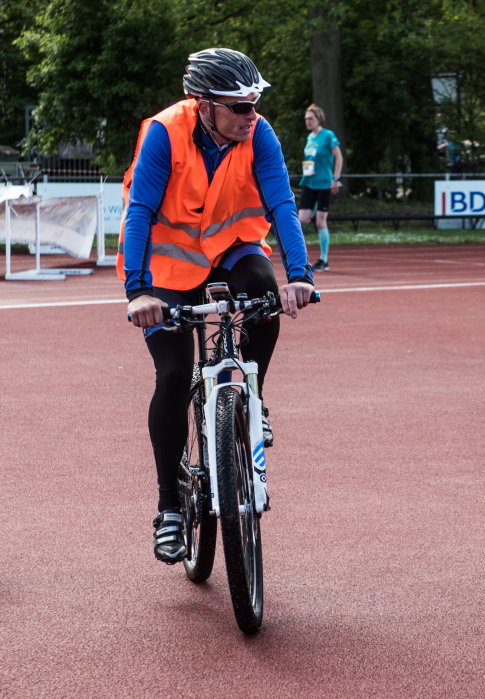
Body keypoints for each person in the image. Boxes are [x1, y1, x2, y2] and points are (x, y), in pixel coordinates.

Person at [119, 48, 315, 564]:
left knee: (265, 295)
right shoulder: (164, 132)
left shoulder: (260, 133)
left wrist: (300, 276)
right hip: (165, 266)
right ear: (203, 105)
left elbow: (281, 203)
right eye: (239, 107)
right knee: (173, 373)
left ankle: (256, 397)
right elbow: (139, 210)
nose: (251, 116)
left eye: (254, 104)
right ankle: (168, 508)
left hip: (231, 249)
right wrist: (138, 291)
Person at [298, 104, 342, 272]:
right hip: (309, 182)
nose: (308, 122)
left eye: (311, 119)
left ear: (319, 119)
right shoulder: (310, 138)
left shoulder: (328, 135)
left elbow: (339, 156)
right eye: (306, 119)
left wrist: (336, 179)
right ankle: (301, 257)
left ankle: (323, 259)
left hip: (324, 182)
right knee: (302, 219)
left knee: (320, 221)